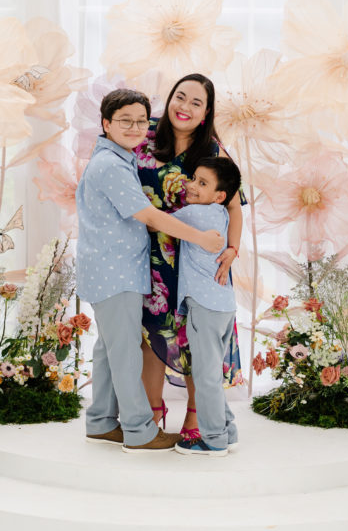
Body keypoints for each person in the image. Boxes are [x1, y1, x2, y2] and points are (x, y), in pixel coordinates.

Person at [78, 89, 225, 453]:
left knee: (108, 349)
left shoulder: (119, 157)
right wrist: (200, 238)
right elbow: (147, 215)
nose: (135, 127)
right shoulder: (111, 165)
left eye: (141, 121)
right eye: (125, 120)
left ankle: (99, 421)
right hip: (116, 272)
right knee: (125, 350)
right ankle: (139, 430)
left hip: (113, 269)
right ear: (106, 123)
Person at [134, 73, 243, 439]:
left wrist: (232, 249)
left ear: (206, 111)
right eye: (180, 97)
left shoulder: (212, 150)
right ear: (170, 99)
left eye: (196, 103)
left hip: (194, 259)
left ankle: (196, 415)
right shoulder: (144, 134)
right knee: (149, 334)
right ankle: (152, 410)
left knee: (193, 338)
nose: (185, 107)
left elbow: (235, 205)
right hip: (145, 253)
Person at [170, 157, 241, 456]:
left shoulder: (197, 215)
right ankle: (228, 430)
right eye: (193, 179)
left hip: (206, 305)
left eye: (202, 183)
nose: (191, 186)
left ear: (219, 196)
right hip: (223, 305)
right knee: (211, 372)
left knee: (206, 376)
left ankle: (213, 439)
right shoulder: (220, 214)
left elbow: (157, 219)